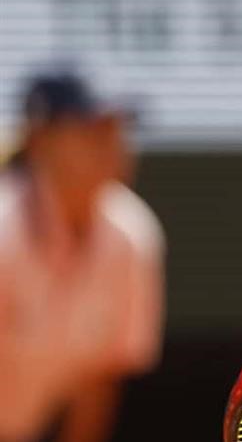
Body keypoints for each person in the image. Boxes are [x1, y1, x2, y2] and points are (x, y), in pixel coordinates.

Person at [0, 70, 165, 442]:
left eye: (116, 130)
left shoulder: (132, 238)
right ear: (40, 142)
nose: (113, 144)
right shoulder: (4, 235)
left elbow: (98, 382)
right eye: (92, 130)